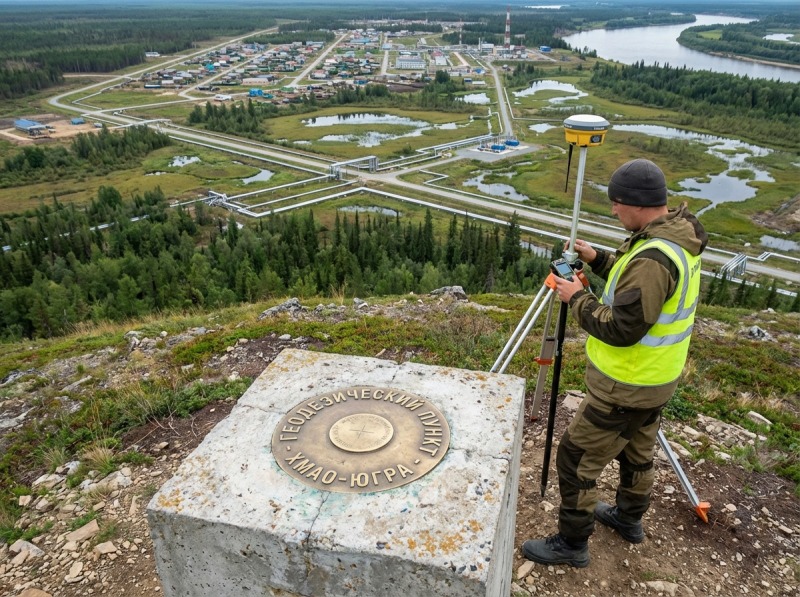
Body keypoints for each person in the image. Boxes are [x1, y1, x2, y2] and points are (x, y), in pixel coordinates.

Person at [522, 158, 708, 568]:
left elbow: (623, 327)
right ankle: (628, 520)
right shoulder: (671, 238)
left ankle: (572, 544)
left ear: (637, 204)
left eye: (616, 203)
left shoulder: (653, 257)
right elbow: (635, 289)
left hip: (626, 383)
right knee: (637, 453)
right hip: (657, 381)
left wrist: (577, 298)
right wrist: (597, 258)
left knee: (574, 458)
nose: (613, 210)